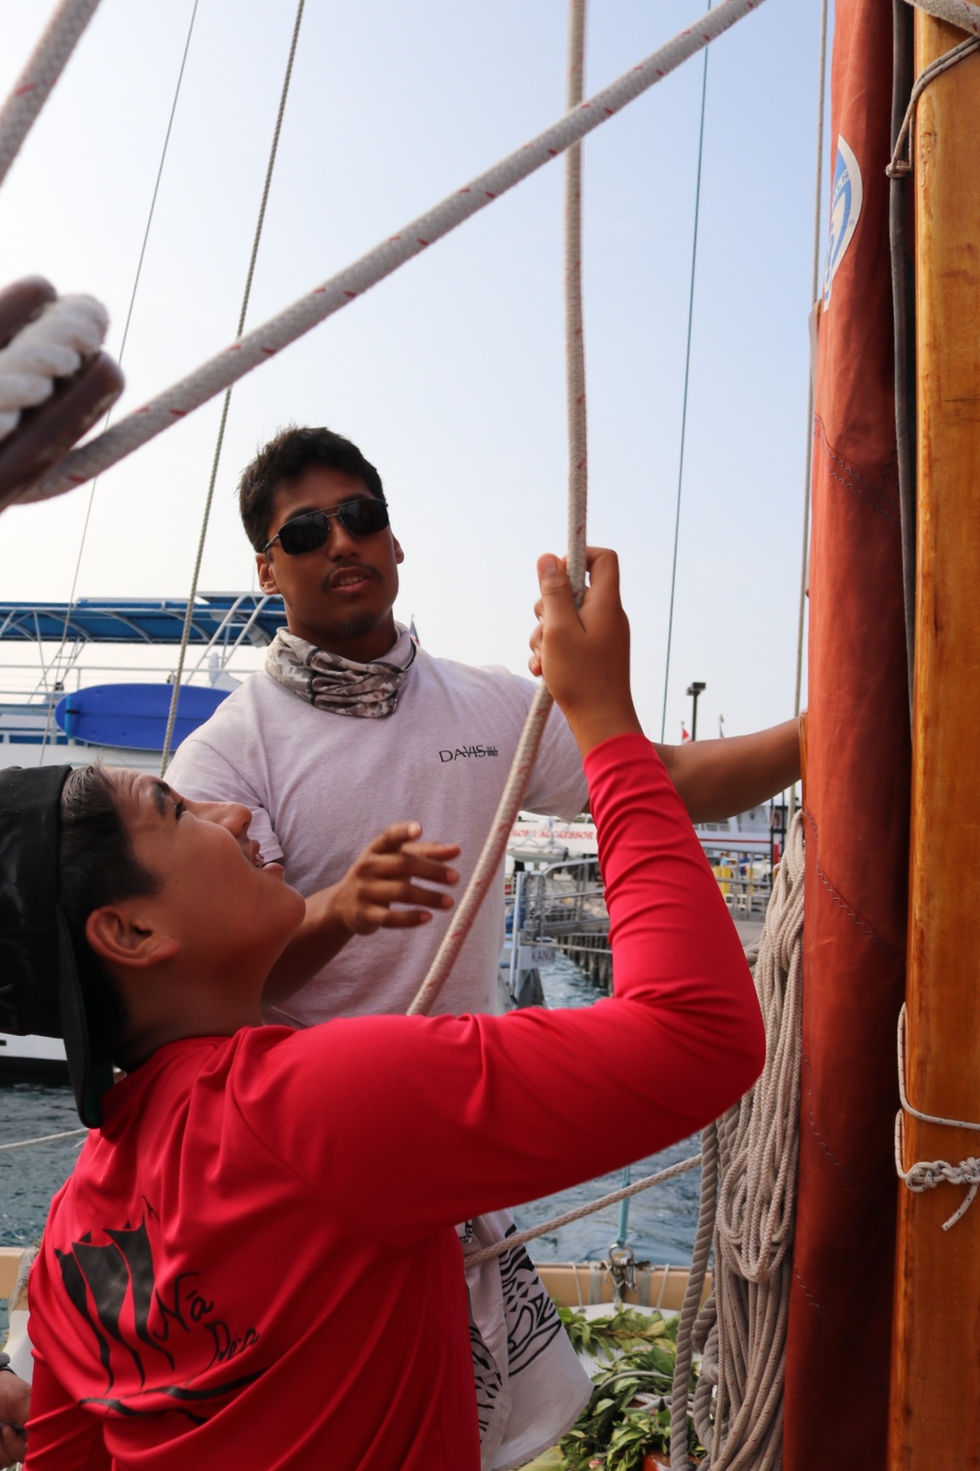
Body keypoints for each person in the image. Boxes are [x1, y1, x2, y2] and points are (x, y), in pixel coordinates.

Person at [1, 547, 765, 1470]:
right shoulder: (316, 1106)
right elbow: (699, 1034)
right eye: (174, 808)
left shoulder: (73, 1236)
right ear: (129, 932)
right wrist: (604, 721)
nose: (232, 816)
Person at [164, 424, 801, 1467]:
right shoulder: (229, 754)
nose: (342, 541)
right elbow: (210, 979)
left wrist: (825, 733)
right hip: (310, 1170)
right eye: (306, 531)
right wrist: (337, 910)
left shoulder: (490, 702)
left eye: (360, 516)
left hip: (451, 1149)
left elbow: (663, 778)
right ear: (267, 569)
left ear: (395, 539)